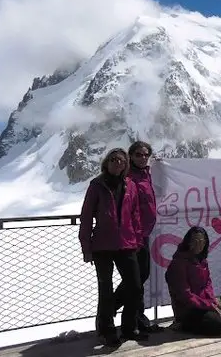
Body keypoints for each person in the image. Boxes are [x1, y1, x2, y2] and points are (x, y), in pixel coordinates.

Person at [79, 148, 147, 347]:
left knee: (135, 287)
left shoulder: (130, 185)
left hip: (127, 243)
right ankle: (107, 330)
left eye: (122, 160)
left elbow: (135, 215)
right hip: (102, 246)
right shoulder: (96, 185)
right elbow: (86, 217)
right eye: (114, 160)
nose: (118, 163)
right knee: (106, 290)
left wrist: (138, 239)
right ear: (107, 162)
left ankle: (129, 326)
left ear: (126, 164)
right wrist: (86, 247)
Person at [113, 141, 163, 333]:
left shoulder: (145, 174)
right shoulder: (128, 177)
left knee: (140, 277)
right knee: (136, 279)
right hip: (132, 236)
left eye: (145, 155)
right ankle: (118, 311)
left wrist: (161, 164)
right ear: (131, 156)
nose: (143, 158)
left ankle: (135, 317)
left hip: (145, 234)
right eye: (138, 155)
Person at [165, 226, 221, 337]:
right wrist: (208, 305)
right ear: (188, 242)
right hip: (187, 309)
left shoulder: (202, 260)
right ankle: (181, 324)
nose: (199, 244)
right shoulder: (178, 263)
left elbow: (208, 283)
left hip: (203, 305)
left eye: (202, 241)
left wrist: (212, 301)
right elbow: (185, 295)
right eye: (195, 241)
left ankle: (203, 320)